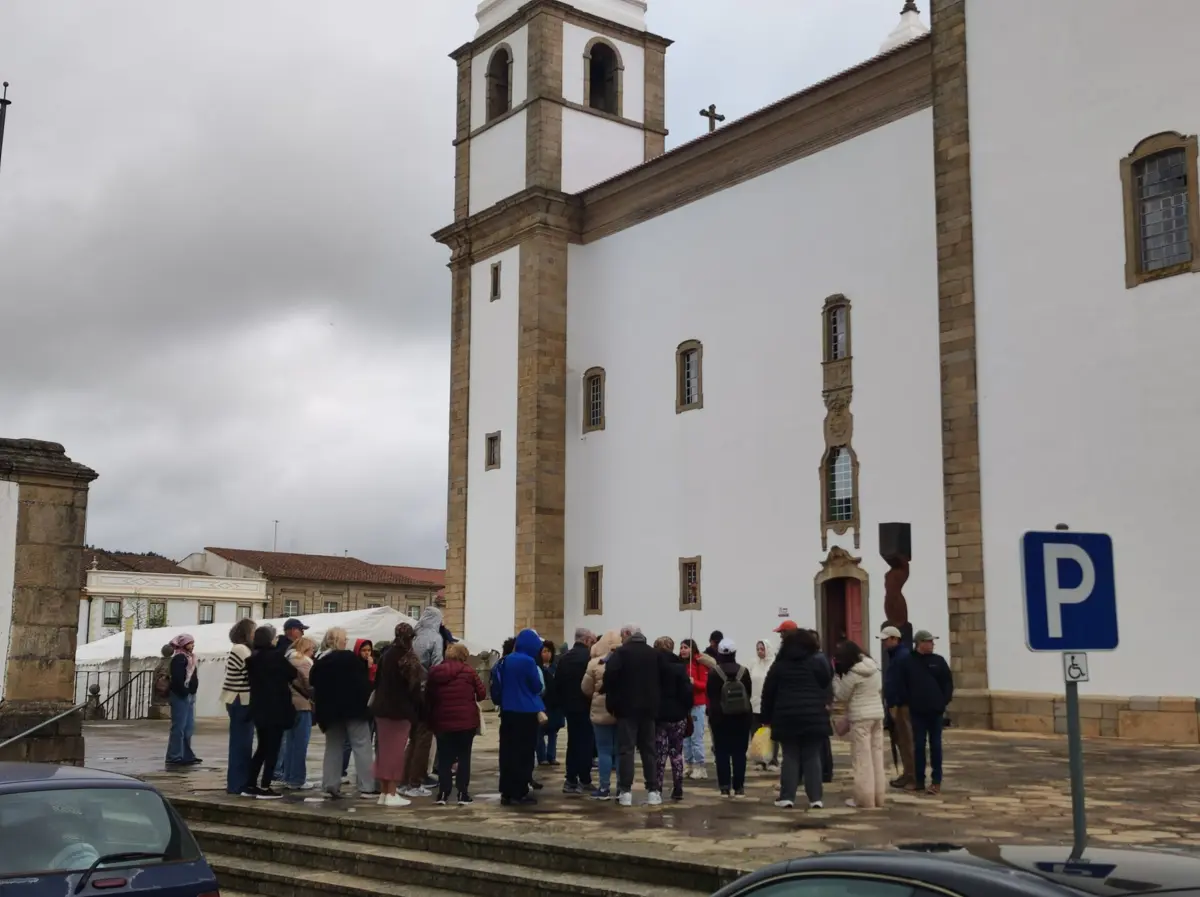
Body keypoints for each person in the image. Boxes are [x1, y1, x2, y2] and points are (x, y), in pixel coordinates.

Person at [761, 628, 832, 810]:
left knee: (790, 756)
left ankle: (787, 797)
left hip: (787, 717)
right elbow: (826, 683)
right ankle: (816, 798)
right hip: (813, 716)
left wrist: (766, 718)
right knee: (812, 756)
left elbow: (768, 693)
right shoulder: (817, 662)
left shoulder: (779, 666)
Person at [310, 626, 378, 800]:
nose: (347, 641)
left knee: (333, 747)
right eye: (345, 638)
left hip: (329, 712)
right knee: (362, 746)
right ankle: (367, 786)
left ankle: (330, 784)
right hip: (354, 709)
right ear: (338, 641)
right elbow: (362, 684)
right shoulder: (349, 659)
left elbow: (313, 684)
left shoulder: (320, 661)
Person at [603, 625, 663, 807]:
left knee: (626, 750)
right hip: (649, 710)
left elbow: (609, 679)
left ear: (628, 635)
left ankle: (626, 791)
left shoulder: (621, 654)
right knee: (649, 751)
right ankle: (653, 790)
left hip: (626, 709)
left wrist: (612, 705)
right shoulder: (654, 654)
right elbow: (663, 680)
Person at [372, 622, 425, 807]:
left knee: (384, 751)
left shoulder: (385, 655)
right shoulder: (407, 657)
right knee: (395, 753)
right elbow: (414, 689)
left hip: (381, 709)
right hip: (400, 711)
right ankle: (392, 793)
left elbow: (377, 682)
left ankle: (384, 793)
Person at [426, 642, 486, 805]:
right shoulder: (469, 672)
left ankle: (443, 794)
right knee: (464, 757)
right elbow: (481, 694)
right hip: (466, 722)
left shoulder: (434, 672)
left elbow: (428, 696)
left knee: (445, 758)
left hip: (442, 721)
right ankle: (462, 793)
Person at [243, 625, 297, 798]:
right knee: (273, 748)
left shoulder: (253, 658)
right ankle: (266, 786)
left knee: (262, 747)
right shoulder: (275, 657)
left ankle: (250, 783)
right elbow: (292, 673)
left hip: (259, 708)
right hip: (276, 707)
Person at [898, 630, 954, 795]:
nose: (932, 644)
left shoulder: (939, 661)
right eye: (929, 641)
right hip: (917, 711)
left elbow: (947, 683)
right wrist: (908, 702)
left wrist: (943, 701)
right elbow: (903, 684)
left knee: (936, 746)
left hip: (935, 711)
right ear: (920, 643)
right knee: (919, 746)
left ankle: (936, 781)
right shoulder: (909, 662)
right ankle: (919, 780)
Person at [832, 640, 887, 809]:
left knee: (862, 759)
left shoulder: (854, 673)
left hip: (861, 718)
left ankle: (864, 799)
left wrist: (835, 679)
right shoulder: (874, 668)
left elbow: (841, 695)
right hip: (877, 715)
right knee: (877, 757)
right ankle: (879, 797)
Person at [496, 628, 546, 806]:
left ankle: (506, 791)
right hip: (526, 712)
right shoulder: (528, 662)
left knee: (508, 752)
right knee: (524, 752)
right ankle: (520, 791)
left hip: (508, 710)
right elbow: (536, 686)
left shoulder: (506, 660)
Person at [703, 639, 754, 798]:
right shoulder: (743, 671)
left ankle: (724, 787)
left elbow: (710, 695)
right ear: (734, 653)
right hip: (742, 717)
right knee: (740, 752)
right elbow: (749, 693)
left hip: (720, 718)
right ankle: (739, 787)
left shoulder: (714, 672)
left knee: (722, 752)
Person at [404, 607, 444, 796]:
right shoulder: (435, 638)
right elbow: (437, 665)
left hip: (409, 691)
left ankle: (404, 779)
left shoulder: (413, 636)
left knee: (412, 738)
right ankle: (416, 781)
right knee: (424, 738)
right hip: (425, 691)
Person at [553, 627, 596, 795]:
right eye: (592, 641)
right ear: (586, 640)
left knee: (573, 742)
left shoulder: (564, 659)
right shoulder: (588, 658)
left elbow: (558, 684)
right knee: (586, 743)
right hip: (586, 705)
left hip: (570, 707)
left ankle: (570, 779)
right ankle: (584, 779)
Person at [581, 630, 621, 800]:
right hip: (621, 710)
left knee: (603, 750)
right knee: (620, 751)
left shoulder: (594, 664)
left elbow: (585, 688)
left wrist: (596, 696)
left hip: (600, 709)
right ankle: (622, 788)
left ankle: (604, 788)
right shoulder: (625, 661)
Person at [653, 636, 692, 802]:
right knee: (676, 753)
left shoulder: (653, 668)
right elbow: (687, 693)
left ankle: (657, 788)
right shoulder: (680, 667)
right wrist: (685, 709)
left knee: (659, 754)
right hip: (678, 717)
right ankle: (678, 787)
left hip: (660, 717)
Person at [219, 619, 255, 794]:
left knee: (243, 742)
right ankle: (237, 784)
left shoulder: (240, 649)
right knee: (241, 743)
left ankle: (239, 782)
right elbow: (252, 670)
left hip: (239, 698)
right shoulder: (241, 649)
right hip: (240, 699)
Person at [878, 624, 915, 788]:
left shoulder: (903, 656)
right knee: (901, 740)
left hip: (902, 704)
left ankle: (912, 775)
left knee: (906, 740)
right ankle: (907, 773)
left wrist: (896, 703)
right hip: (896, 703)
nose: (884, 643)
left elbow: (903, 682)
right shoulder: (895, 655)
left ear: (895, 639)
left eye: (886, 640)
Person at [282, 635, 317, 790]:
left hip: (288, 705)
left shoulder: (287, 660)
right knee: (300, 744)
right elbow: (309, 685)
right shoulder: (303, 663)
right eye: (312, 650)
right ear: (306, 649)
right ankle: (297, 778)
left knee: (290, 742)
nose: (313, 654)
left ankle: (288, 775)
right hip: (302, 705)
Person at [165, 634, 200, 767]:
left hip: (189, 695)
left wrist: (193, 689)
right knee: (179, 727)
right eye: (190, 643)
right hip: (180, 695)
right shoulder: (179, 658)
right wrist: (185, 691)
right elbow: (178, 678)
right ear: (184, 644)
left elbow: (193, 676)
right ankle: (174, 755)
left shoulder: (190, 658)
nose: (193, 645)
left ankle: (186, 754)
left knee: (188, 727)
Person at [679, 639, 708, 779]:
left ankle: (700, 766)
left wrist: (693, 682)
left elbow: (705, 685)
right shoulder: (680, 665)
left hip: (697, 704)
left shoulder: (699, 664)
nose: (683, 650)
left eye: (686, 647)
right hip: (684, 705)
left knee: (696, 736)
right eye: (681, 647)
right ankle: (689, 764)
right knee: (686, 738)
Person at [748, 637, 779, 771]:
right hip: (755, 703)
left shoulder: (774, 664)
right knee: (756, 733)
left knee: (772, 732)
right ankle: (759, 760)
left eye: (762, 649)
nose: (760, 652)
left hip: (770, 703)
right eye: (758, 649)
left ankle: (772, 760)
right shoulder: (754, 664)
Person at [537, 640, 565, 767]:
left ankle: (551, 756)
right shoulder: (537, 668)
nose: (546, 654)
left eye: (548, 651)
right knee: (540, 732)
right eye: (544, 651)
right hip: (542, 703)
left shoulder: (556, 667)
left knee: (553, 732)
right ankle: (542, 757)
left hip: (554, 704)